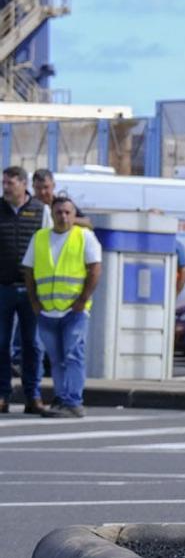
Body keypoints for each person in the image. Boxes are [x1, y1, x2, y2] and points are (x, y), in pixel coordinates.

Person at [22, 195, 100, 418]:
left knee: (73, 355)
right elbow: (28, 270)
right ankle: (61, 398)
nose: (63, 216)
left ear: (75, 215)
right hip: (47, 310)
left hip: (73, 310)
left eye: (68, 212)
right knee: (56, 359)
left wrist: (83, 300)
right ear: (52, 214)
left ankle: (73, 401)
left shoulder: (84, 236)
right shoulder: (40, 238)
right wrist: (35, 302)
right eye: (59, 212)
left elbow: (95, 269)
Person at [0, 167, 44, 414]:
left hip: (31, 289)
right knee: (1, 343)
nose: (5, 187)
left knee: (33, 345)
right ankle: (2, 395)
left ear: (23, 184)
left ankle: (33, 395)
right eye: (4, 183)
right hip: (3, 287)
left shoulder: (41, 211)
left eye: (10, 183)